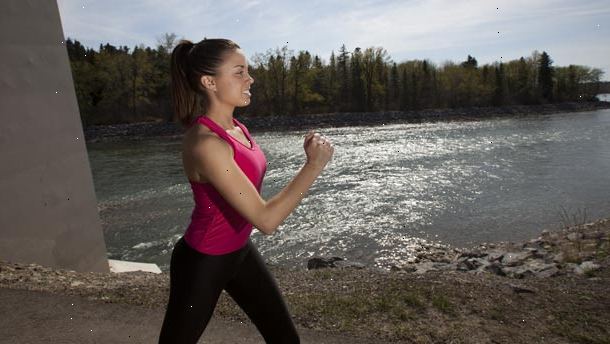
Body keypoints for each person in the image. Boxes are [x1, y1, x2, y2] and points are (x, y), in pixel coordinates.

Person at [158, 38, 334, 344]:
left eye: (248, 71)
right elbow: (266, 220)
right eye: (239, 72)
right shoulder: (206, 143)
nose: (249, 78)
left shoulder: (237, 128)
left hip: (239, 252)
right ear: (209, 82)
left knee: (285, 339)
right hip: (203, 262)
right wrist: (313, 166)